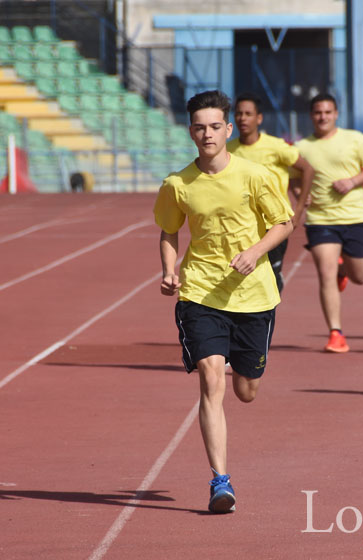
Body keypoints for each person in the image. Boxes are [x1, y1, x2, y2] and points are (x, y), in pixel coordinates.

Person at [153, 90, 294, 512]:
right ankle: (220, 481)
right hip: (200, 292)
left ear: (228, 129)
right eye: (200, 127)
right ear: (191, 131)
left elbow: (283, 223)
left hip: (254, 296)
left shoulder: (254, 175)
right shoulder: (177, 184)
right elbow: (168, 231)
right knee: (211, 379)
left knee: (246, 390)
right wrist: (169, 269)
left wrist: (254, 252)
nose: (208, 133)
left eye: (216, 126)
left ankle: (242, 365)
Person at [294, 93, 363, 353]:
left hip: (356, 217)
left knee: (360, 276)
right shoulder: (302, 147)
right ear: (311, 116)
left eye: (327, 112)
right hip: (320, 220)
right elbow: (293, 180)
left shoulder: (355, 139)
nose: (323, 117)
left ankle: (346, 272)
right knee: (325, 273)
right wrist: (301, 196)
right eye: (318, 112)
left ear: (336, 114)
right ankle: (336, 332)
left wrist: (352, 182)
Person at [228, 92, 315, 292]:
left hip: (273, 224)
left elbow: (307, 169)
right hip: (241, 224)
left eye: (248, 114)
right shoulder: (228, 150)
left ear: (259, 118)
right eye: (239, 113)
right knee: (243, 276)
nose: (242, 118)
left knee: (270, 279)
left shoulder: (275, 147)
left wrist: (299, 209)